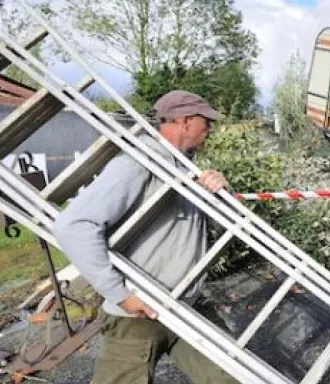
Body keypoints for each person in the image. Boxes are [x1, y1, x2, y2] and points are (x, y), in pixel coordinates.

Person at [53, 90, 238, 384]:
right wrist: (120, 295)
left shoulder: (186, 170)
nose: (210, 128)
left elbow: (214, 229)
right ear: (186, 121)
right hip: (138, 316)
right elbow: (73, 226)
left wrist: (222, 196)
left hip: (187, 307)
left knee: (233, 378)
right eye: (207, 121)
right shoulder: (138, 163)